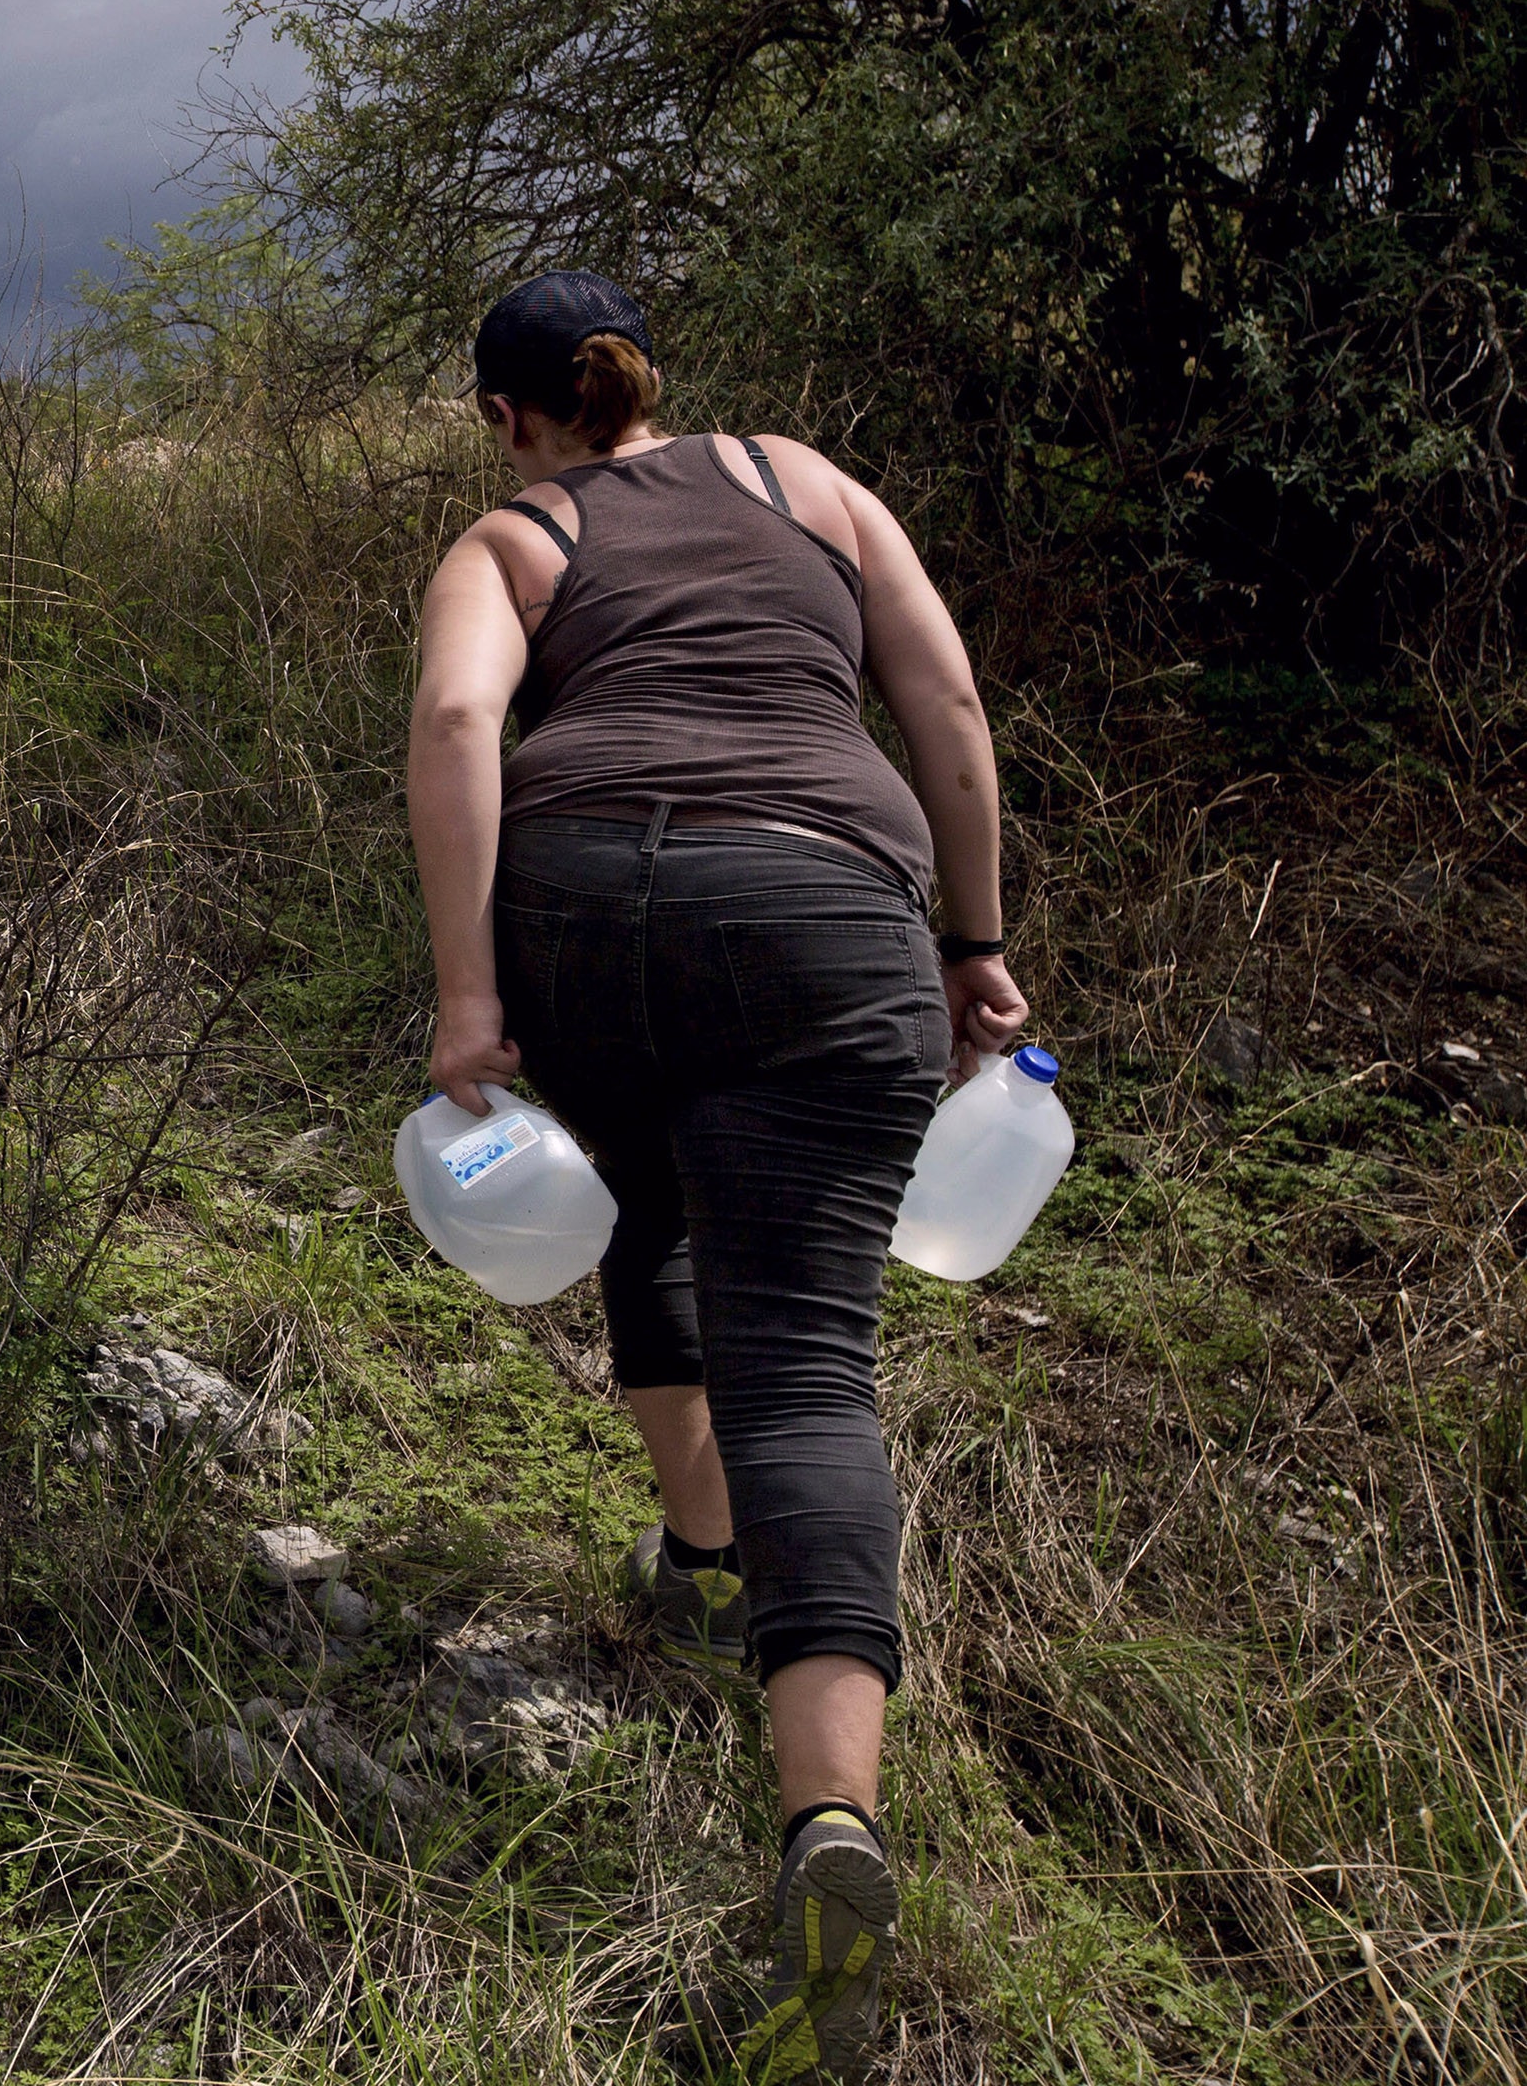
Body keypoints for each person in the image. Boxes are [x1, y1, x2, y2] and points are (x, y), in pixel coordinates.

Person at [406, 272, 1028, 2080]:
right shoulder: (804, 484)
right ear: (644, 384)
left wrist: (467, 1000)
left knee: (643, 1212)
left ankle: (699, 1552)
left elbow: (459, 732)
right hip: (825, 911)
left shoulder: (510, 538)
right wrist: (974, 943)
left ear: (510, 414)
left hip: (586, 907)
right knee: (809, 1361)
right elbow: (952, 705)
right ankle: (830, 1820)